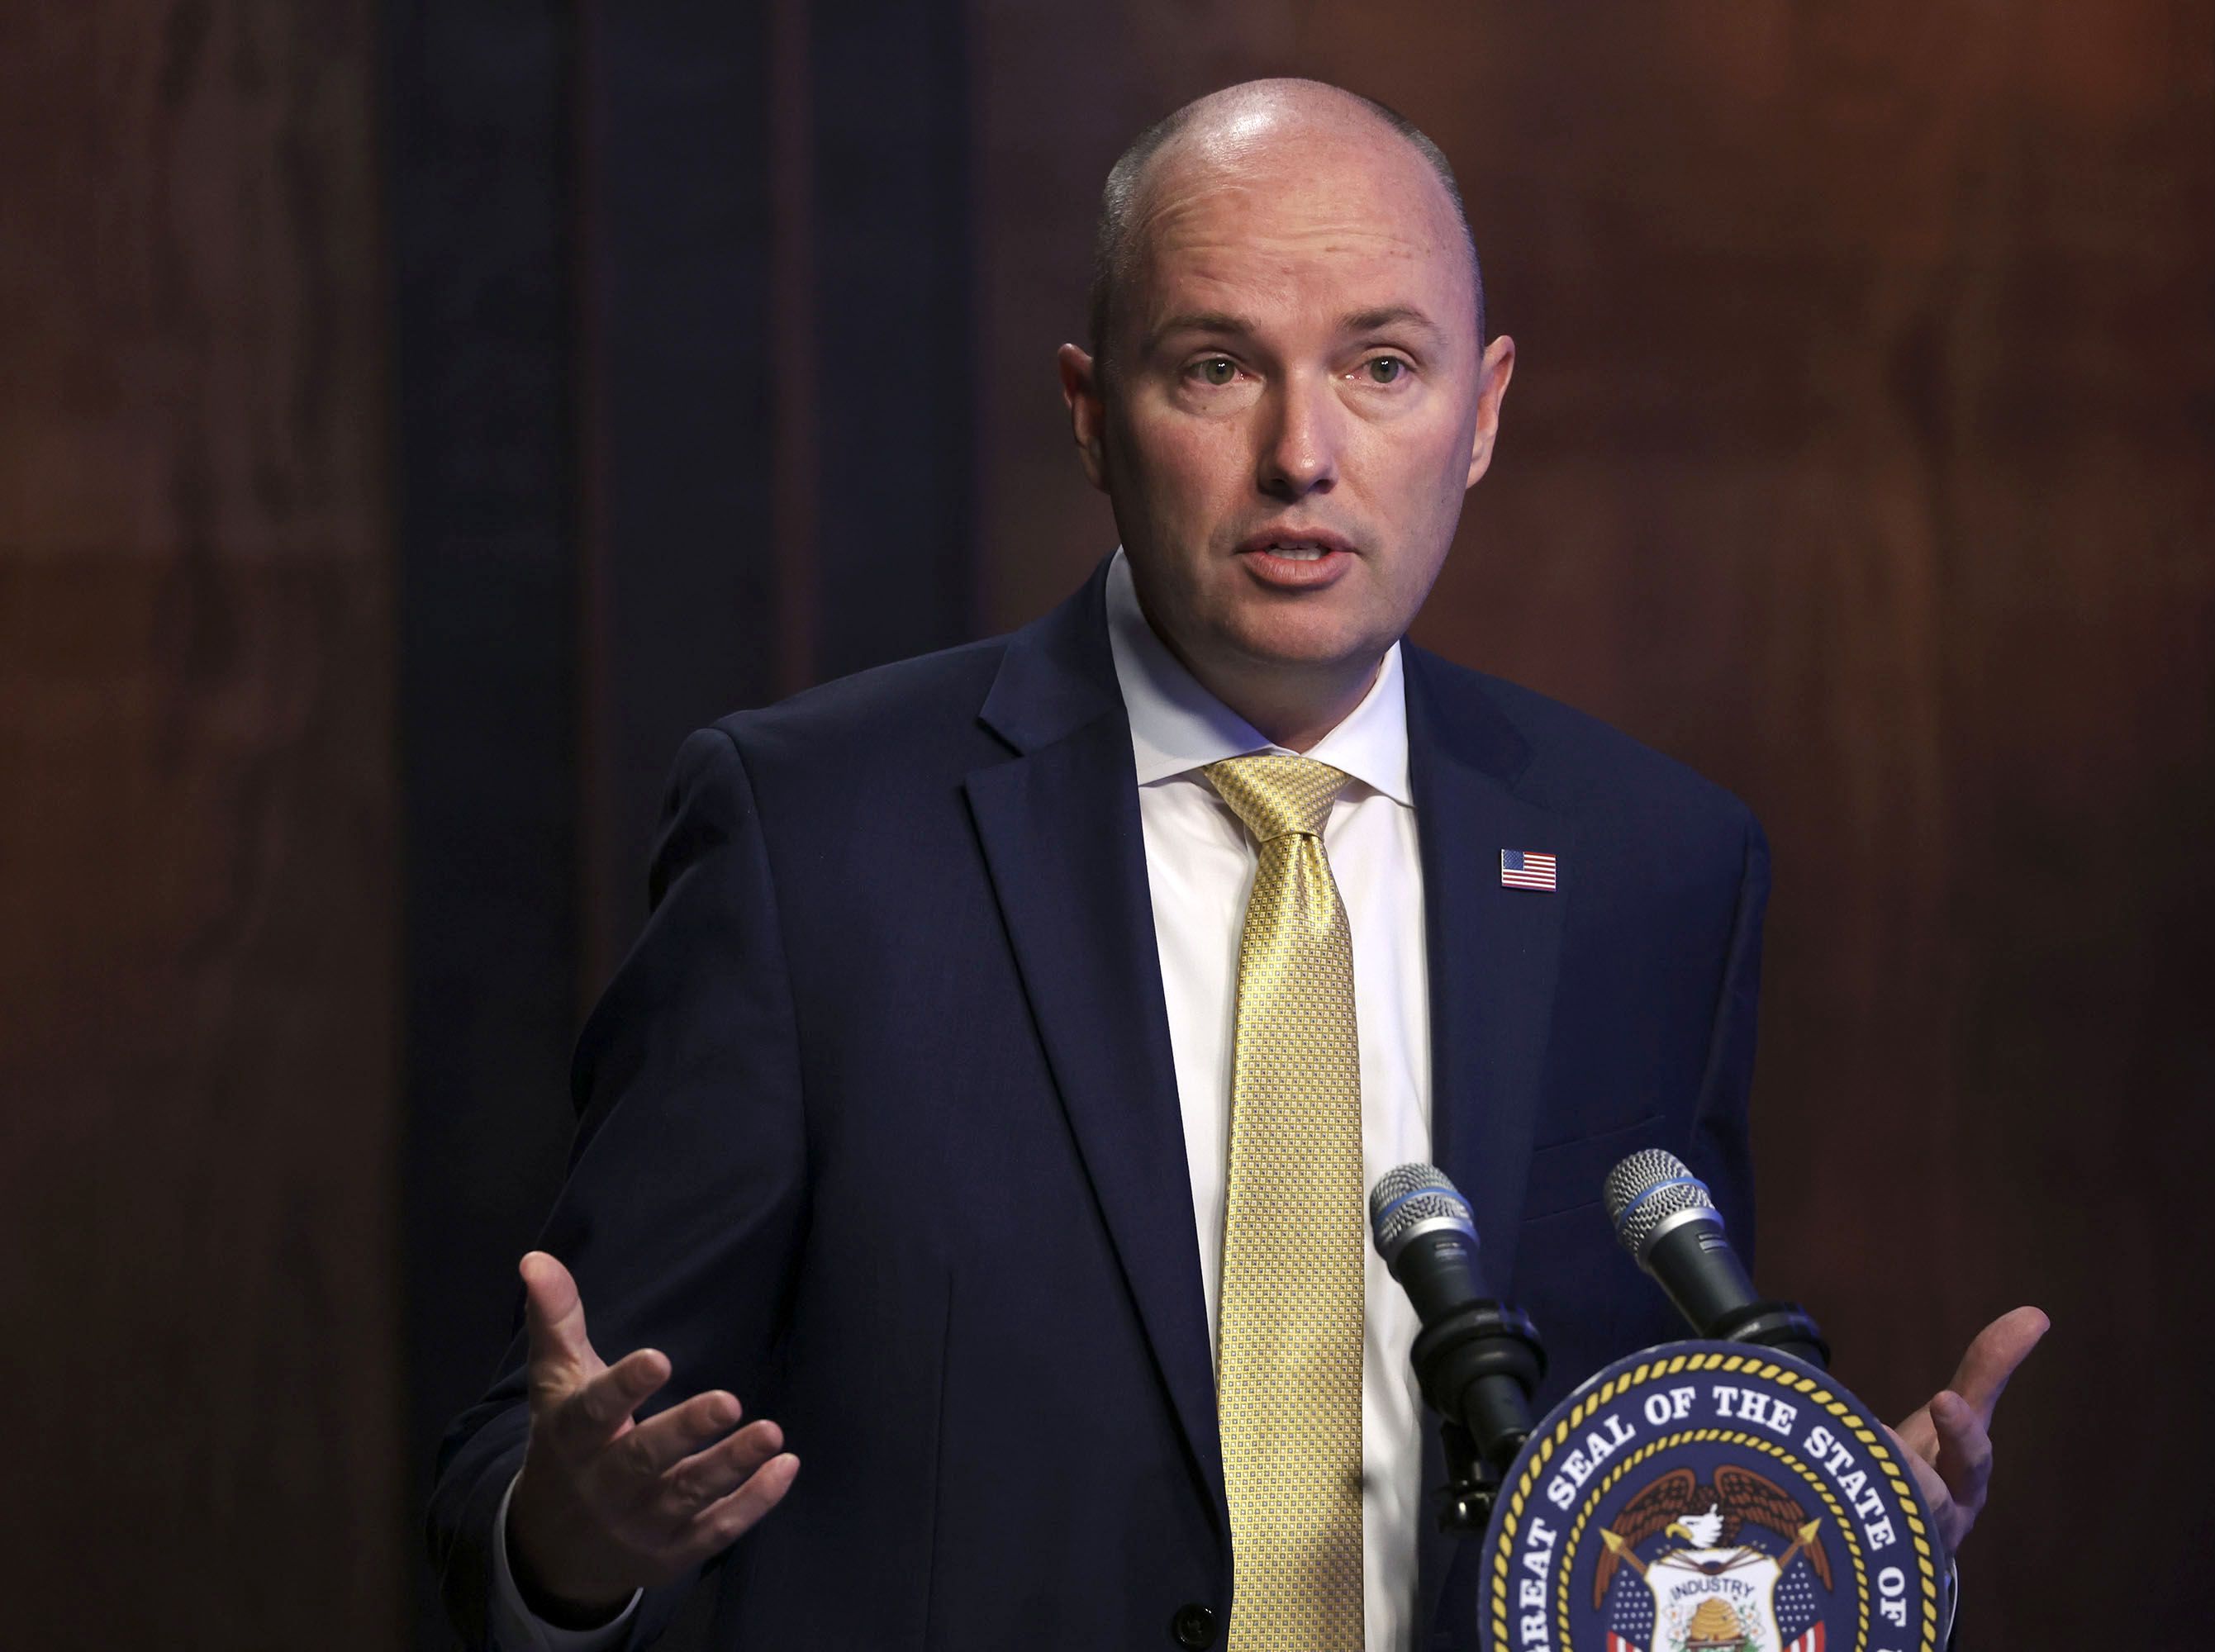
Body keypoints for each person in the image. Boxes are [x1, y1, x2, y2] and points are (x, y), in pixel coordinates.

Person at [429, 77, 2048, 1651]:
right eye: (1217, 367)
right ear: (1090, 414)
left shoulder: (1657, 863)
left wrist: (1817, 1535)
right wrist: (572, 1544)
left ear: (1480, 416)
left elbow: (1618, 1497)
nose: (1301, 454)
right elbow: (545, 1463)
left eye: (1383, 368)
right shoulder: (815, 834)